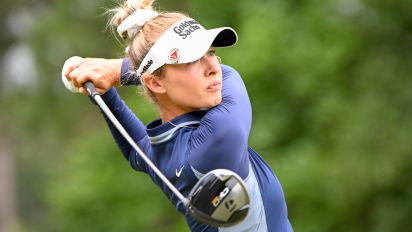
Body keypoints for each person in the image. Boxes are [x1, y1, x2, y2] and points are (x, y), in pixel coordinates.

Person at [63, 0, 293, 231]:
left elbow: (137, 150)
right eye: (192, 59)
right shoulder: (218, 140)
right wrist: (116, 71)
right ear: (154, 82)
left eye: (210, 52)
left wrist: (106, 92)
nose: (212, 67)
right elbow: (229, 74)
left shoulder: (166, 151)